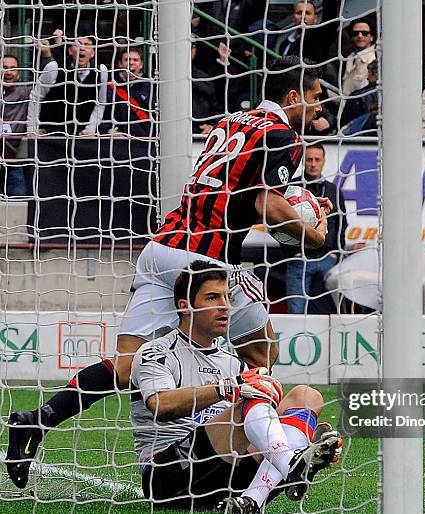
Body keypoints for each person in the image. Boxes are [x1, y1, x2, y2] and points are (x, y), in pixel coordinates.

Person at [6, 56, 331, 490]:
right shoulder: (283, 134)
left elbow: (248, 188)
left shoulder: (233, 120)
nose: (318, 112)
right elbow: (266, 206)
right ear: (293, 98)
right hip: (204, 261)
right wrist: (312, 233)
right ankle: (271, 463)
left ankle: (39, 420)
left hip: (161, 247)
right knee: (262, 357)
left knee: (126, 366)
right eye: (315, 101)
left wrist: (297, 204)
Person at [132, 261, 342, 514]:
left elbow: (265, 425)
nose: (225, 306)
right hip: (168, 477)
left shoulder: (233, 363)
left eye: (227, 297)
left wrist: (308, 438)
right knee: (255, 389)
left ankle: (253, 499)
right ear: (185, 306)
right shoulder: (156, 352)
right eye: (212, 297)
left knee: (306, 396)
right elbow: (161, 405)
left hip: (226, 478)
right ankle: (292, 464)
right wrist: (226, 388)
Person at [286, 144, 347, 314]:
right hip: (299, 260)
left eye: (317, 160)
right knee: (296, 314)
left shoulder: (333, 190)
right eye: (309, 159)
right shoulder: (293, 189)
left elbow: (342, 224)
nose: (313, 164)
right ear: (303, 162)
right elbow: (280, 223)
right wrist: (292, 252)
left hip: (327, 260)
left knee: (322, 314)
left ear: (323, 162)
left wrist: (336, 254)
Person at [27, 34, 108, 135]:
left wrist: (90, 129)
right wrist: (32, 128)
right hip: (50, 133)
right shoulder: (54, 68)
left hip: (82, 135)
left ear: (93, 53)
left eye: (87, 44)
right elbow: (36, 97)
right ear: (70, 50)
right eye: (78, 44)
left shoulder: (101, 71)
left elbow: (100, 103)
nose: (82, 48)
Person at [100, 48, 154, 138]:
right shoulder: (109, 88)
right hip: (117, 142)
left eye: (135, 60)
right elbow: (101, 116)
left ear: (141, 65)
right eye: (127, 60)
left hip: (144, 142)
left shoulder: (151, 87)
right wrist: (110, 131)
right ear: (120, 64)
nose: (131, 63)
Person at [0, 54, 31, 196]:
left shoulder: (25, 93)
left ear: (18, 75)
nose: (8, 72)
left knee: (18, 202)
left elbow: (49, 79)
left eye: (13, 69)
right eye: (5, 68)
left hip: (14, 163)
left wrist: (47, 55)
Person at [190, 41, 222, 136]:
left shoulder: (204, 78)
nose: (189, 49)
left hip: (201, 134)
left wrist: (212, 126)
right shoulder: (163, 78)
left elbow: (217, 110)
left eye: (192, 46)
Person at [341, 59, 378, 134]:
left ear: (374, 74)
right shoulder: (401, 98)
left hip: (359, 140)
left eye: (369, 73)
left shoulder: (356, 97)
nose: (367, 78)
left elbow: (344, 125)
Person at [342, 18, 377, 96]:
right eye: (355, 33)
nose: (360, 36)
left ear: (372, 37)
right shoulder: (349, 57)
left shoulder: (375, 58)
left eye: (364, 33)